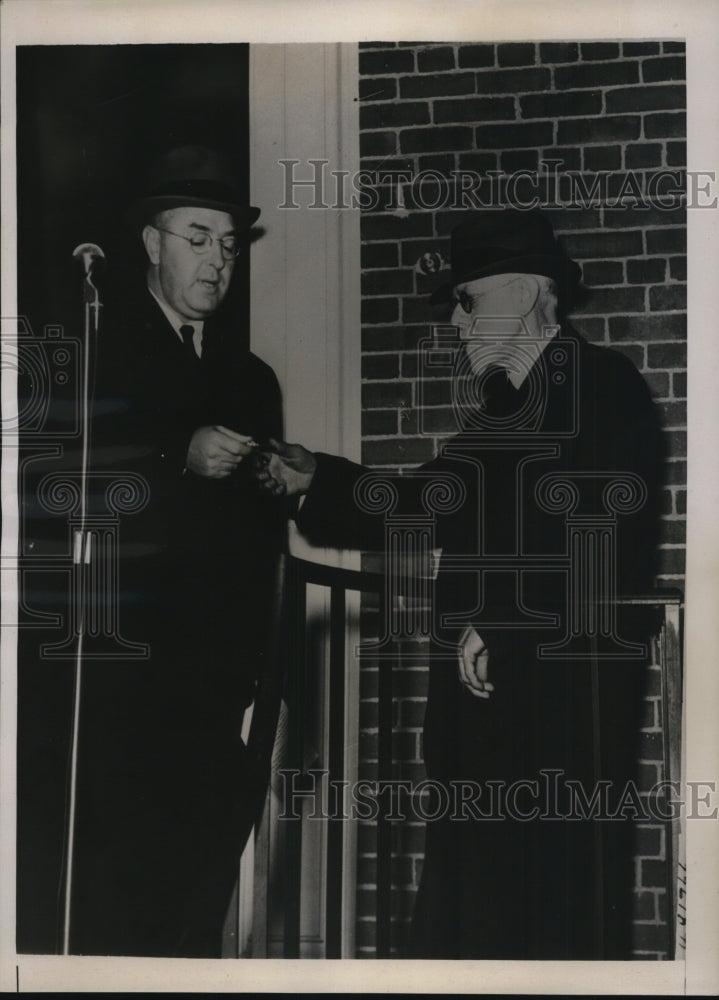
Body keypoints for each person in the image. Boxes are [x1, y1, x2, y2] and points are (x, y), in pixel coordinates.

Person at [255, 208, 662, 959]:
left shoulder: (605, 389)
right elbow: (426, 502)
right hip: (487, 724)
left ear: (524, 294)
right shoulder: (505, 415)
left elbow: (603, 540)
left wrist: (504, 621)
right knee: (472, 914)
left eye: (466, 301)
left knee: (541, 920)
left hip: (558, 721)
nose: (455, 322)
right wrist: (322, 477)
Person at [67, 146, 284, 957]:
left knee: (199, 887)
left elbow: (258, 539)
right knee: (121, 895)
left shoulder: (251, 378)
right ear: (151, 244)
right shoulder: (94, 350)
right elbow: (57, 482)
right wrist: (172, 457)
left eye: (228, 244)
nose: (217, 259)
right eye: (198, 237)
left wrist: (264, 670)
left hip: (217, 681)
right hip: (114, 679)